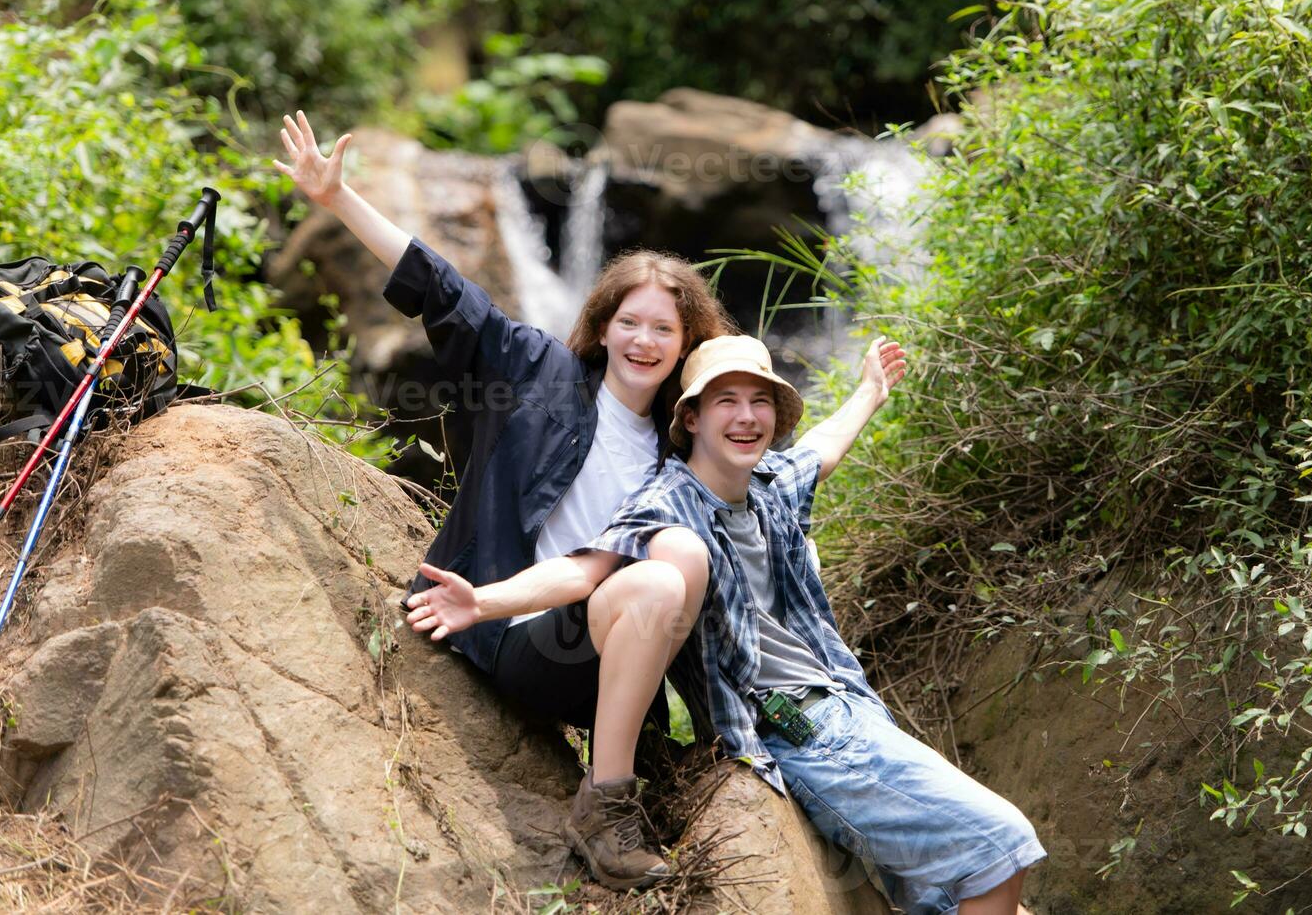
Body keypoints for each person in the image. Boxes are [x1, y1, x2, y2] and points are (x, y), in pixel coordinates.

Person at [412, 333, 1046, 913]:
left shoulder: (768, 484)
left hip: (852, 707)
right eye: (726, 402)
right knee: (1003, 846)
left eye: (760, 401)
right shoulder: (665, 501)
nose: (746, 417)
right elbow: (585, 572)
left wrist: (869, 393)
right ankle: (607, 798)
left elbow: (822, 450)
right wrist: (486, 603)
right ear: (690, 417)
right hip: (801, 729)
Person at [274, 111, 727, 890]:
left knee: (680, 562)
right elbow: (449, 293)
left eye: (665, 328)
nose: (645, 341)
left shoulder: (680, 452)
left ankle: (656, 757)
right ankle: (606, 807)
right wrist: (339, 199)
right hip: (519, 635)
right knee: (651, 577)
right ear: (604, 325)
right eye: (631, 322)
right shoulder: (537, 371)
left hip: (617, 657)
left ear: (687, 345)